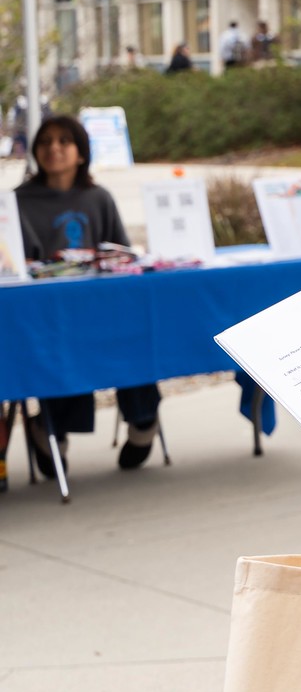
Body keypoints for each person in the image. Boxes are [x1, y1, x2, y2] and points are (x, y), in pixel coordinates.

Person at [11, 114, 167, 474]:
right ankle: (50, 429)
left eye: (64, 142)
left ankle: (143, 421)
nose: (54, 149)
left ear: (81, 153)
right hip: (47, 314)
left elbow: (121, 256)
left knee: (134, 335)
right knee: (62, 345)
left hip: (101, 307)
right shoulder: (17, 201)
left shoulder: (99, 198)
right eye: (46, 142)